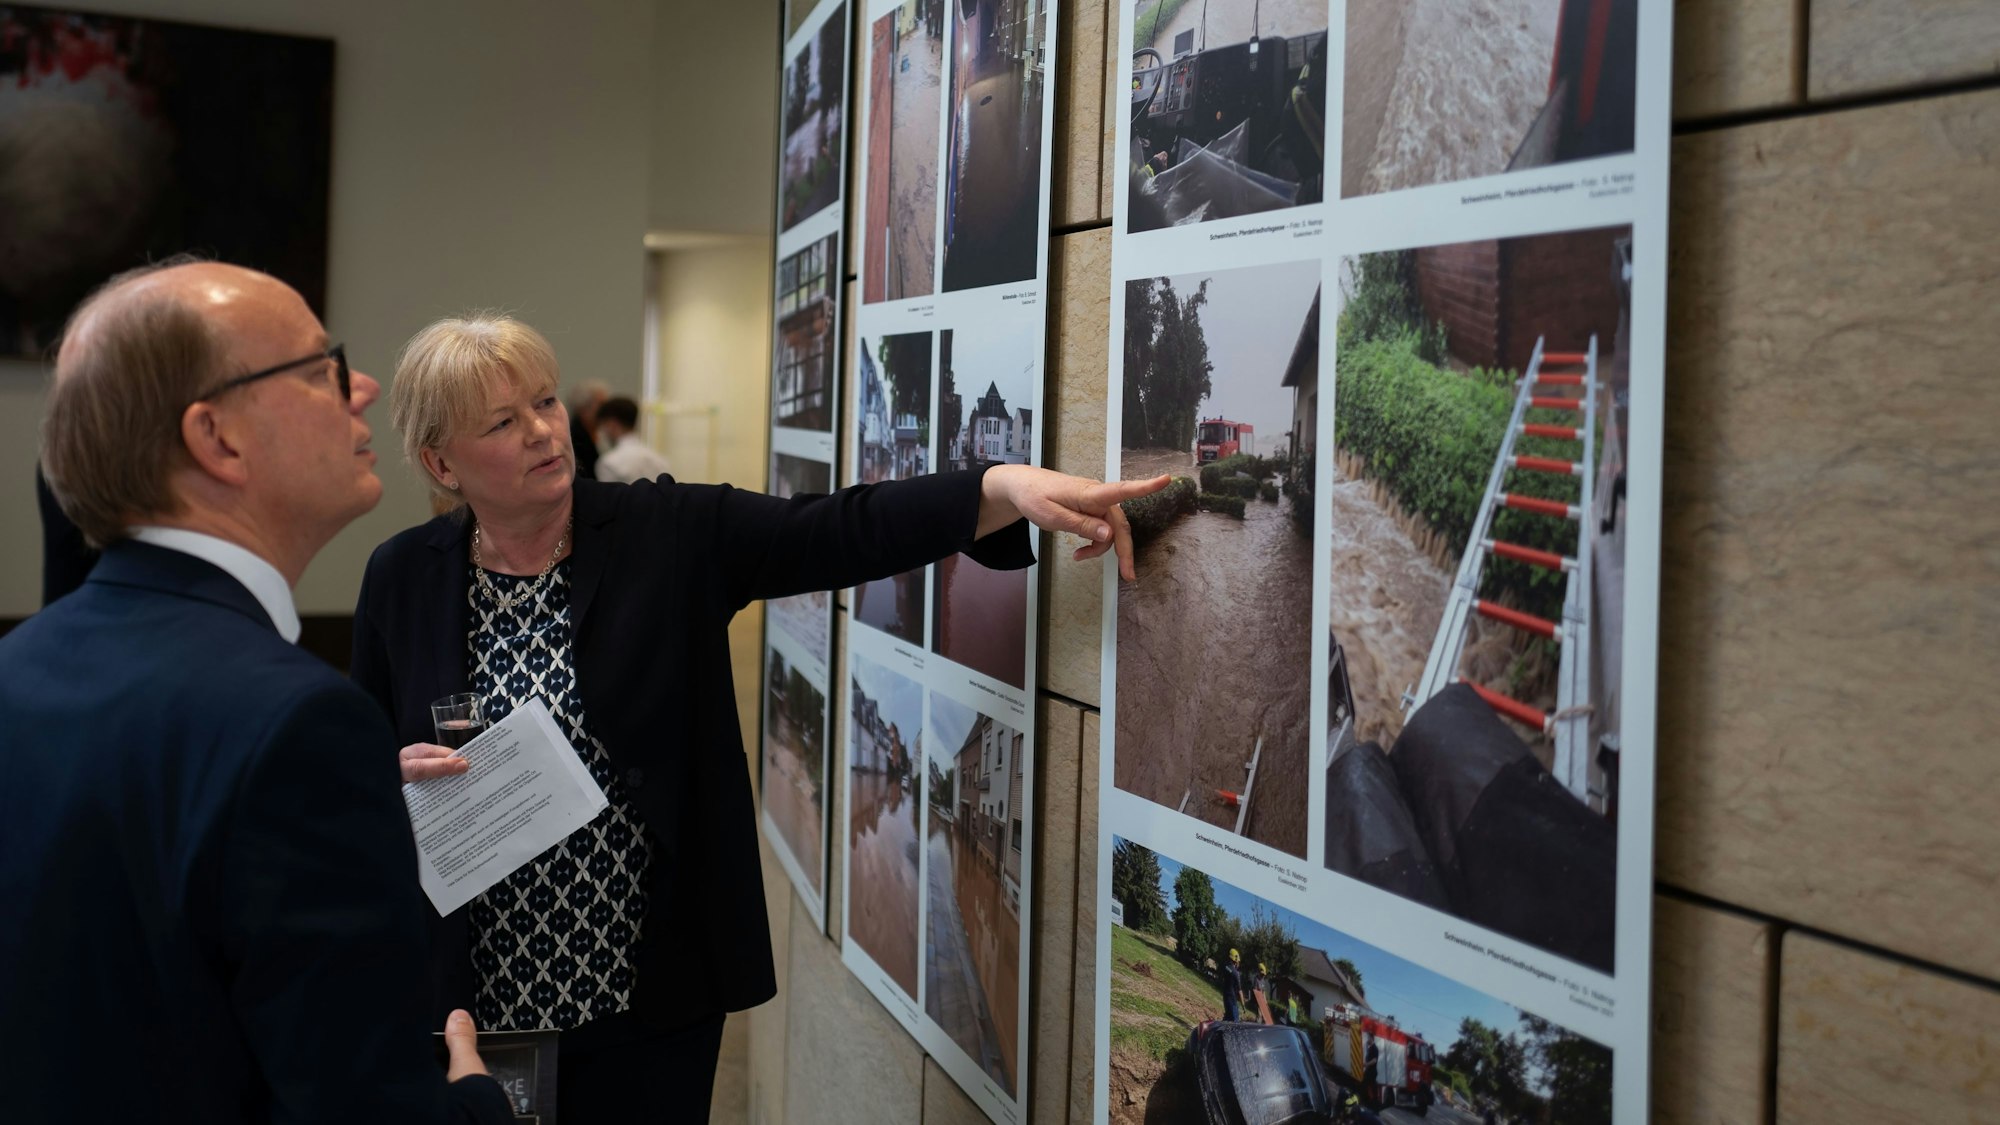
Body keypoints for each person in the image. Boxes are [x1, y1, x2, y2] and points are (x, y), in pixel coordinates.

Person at [352, 313, 1167, 1122]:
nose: (543, 431)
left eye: (544, 402)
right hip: (474, 1000)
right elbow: (356, 771)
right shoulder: (401, 580)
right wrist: (385, 779)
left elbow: (839, 529)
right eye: (504, 421)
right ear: (441, 460)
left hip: (646, 992)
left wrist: (999, 489)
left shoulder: (662, 533)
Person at [0, 261, 512, 1124]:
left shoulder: (21, 665)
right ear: (218, 438)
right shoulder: (300, 725)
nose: (362, 387)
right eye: (321, 368)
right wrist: (474, 1098)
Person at [591, 395, 671, 484]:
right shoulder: (659, 461)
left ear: (612, 424)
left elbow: (608, 497)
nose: (601, 432)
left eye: (602, 425)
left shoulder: (609, 464)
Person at [565, 378, 609, 481]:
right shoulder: (574, 439)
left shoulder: (600, 435)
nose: (607, 411)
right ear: (583, 408)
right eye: (602, 405)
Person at [1221, 948, 1246, 1022]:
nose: (1238, 963)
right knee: (1235, 1022)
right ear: (1235, 960)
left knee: (1227, 1019)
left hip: (1225, 997)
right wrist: (1243, 1005)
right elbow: (1240, 991)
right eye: (1238, 962)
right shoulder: (1236, 973)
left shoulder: (1225, 967)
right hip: (1232, 1000)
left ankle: (1217, 1032)